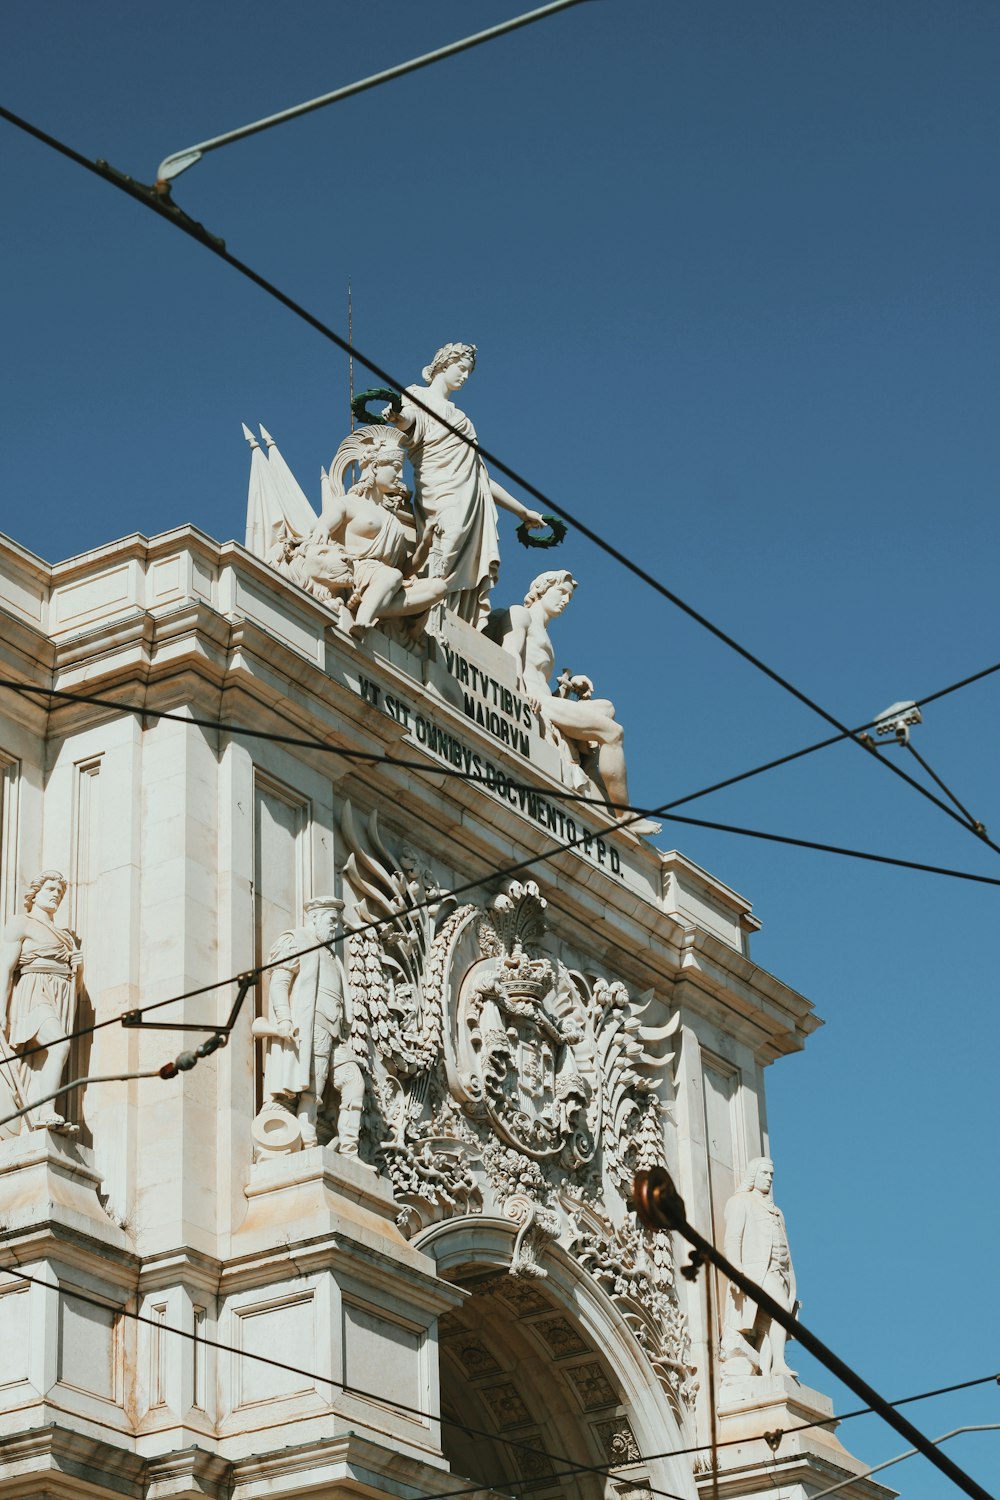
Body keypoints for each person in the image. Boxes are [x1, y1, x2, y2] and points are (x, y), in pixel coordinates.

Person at [383, 343, 546, 628]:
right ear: (444, 365)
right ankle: (426, 609)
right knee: (450, 534)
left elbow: (480, 478)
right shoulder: (416, 395)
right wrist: (397, 416)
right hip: (439, 486)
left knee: (467, 555)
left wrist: (522, 511)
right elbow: (410, 419)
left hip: (469, 495)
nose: (464, 377)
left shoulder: (462, 421)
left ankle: (452, 618)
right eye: (461, 369)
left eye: (468, 372)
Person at [488, 570, 660, 836]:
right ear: (541, 590)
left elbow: (536, 669)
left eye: (569, 596)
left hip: (547, 698)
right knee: (613, 733)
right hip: (536, 700)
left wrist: (567, 687)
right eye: (561, 592)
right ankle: (625, 815)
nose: (566, 600)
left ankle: (595, 783)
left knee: (606, 707)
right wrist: (520, 688)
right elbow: (509, 654)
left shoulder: (544, 635)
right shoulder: (519, 614)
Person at [317, 425, 448, 635]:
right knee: (391, 576)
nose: (400, 474)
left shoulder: (392, 519)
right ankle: (362, 621)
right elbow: (322, 528)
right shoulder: (347, 503)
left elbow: (406, 569)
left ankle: (369, 604)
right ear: (375, 466)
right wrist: (321, 532)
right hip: (357, 571)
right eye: (396, 467)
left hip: (388, 581)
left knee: (438, 588)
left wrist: (425, 542)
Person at [261, 898, 366, 1156]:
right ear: (315, 917)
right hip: (311, 1027)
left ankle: (350, 1151)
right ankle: (307, 1144)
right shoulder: (297, 940)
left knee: (355, 1081)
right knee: (312, 1089)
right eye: (332, 921)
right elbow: (279, 982)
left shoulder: (332, 956)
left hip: (336, 1035)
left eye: (339, 923)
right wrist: (284, 1019)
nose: (336, 929)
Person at [0, 870, 81, 1132]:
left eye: (60, 891)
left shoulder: (66, 936)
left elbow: (75, 987)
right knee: (59, 1046)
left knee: (51, 1053)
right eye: (50, 889)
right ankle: (46, 1110)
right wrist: (1, 1009)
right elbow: (5, 968)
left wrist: (79, 970)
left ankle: (39, 1111)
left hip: (61, 993)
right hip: (34, 990)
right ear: (35, 893)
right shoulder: (20, 923)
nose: (56, 894)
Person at [721, 1156, 798, 1378]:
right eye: (765, 1173)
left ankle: (768, 1368)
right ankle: (780, 1363)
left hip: (779, 1273)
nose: (769, 1178)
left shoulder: (777, 1211)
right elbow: (733, 1239)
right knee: (780, 1309)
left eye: (771, 1175)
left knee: (765, 1323)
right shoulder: (741, 1201)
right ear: (753, 1175)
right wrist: (736, 1272)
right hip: (757, 1271)